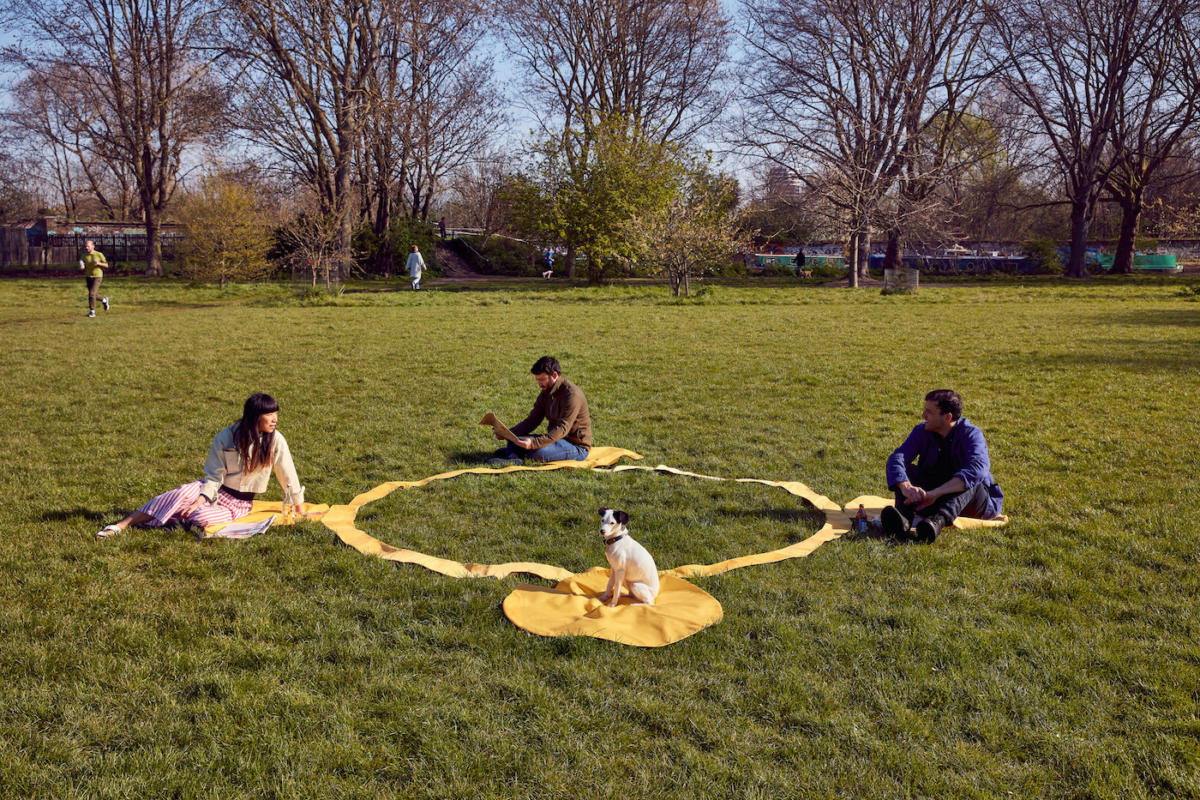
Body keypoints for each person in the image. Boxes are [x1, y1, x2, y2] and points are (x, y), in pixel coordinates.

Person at [95, 394, 304, 539]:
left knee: (200, 517)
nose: (275, 419)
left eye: (276, 413)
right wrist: (199, 499)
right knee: (181, 493)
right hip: (214, 490)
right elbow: (214, 476)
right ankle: (120, 525)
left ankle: (164, 518)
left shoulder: (276, 440)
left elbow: (288, 474)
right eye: (269, 414)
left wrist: (298, 505)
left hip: (238, 504)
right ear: (254, 416)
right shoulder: (227, 436)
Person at [882, 389, 1004, 543]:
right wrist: (905, 486)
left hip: (970, 503)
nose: (923, 416)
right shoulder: (921, 430)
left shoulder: (971, 434)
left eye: (929, 412)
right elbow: (898, 457)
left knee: (971, 480)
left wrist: (936, 493)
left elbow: (978, 468)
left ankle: (937, 521)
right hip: (932, 496)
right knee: (906, 469)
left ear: (947, 417)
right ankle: (903, 519)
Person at [489, 356, 592, 465]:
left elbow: (563, 428)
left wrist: (534, 443)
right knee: (515, 439)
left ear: (554, 375)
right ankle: (513, 457)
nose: (539, 384)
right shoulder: (546, 393)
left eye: (542, 379)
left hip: (576, 446)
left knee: (537, 452)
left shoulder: (571, 395)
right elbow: (532, 421)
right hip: (556, 440)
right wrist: (507, 433)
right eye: (537, 380)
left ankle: (515, 455)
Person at [79, 239, 109, 318]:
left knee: (91, 294)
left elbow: (106, 265)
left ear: (93, 246)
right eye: (85, 246)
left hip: (98, 276)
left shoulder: (99, 254)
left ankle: (92, 311)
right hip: (88, 276)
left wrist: (99, 263)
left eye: (88, 246)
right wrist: (81, 265)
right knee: (93, 294)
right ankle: (104, 300)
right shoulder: (84, 255)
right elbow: (81, 260)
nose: (86, 248)